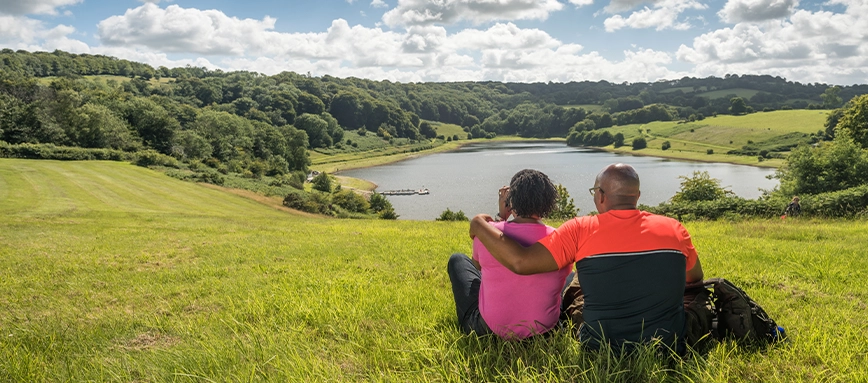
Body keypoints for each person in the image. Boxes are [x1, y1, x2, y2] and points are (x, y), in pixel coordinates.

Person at [469, 163, 704, 353]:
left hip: (600, 346)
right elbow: (694, 278)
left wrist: (479, 223)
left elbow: (521, 262)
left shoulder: (579, 229)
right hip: (669, 344)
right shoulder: (674, 228)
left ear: (601, 196)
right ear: (637, 196)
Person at [447, 169, 572, 340]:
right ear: (548, 204)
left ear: (510, 201)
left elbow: (478, 268)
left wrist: (503, 218)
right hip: (546, 330)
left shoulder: (486, 235)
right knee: (569, 276)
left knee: (458, 260)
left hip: (489, 329)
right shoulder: (562, 239)